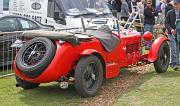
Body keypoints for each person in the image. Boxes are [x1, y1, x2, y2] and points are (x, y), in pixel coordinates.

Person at [165, 0, 180, 70]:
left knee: (177, 48)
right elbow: (166, 23)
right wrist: (171, 29)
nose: (175, 6)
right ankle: (175, 64)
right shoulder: (169, 12)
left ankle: (175, 62)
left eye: (176, 4)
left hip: (178, 33)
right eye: (174, 4)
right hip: (171, 33)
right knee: (173, 48)